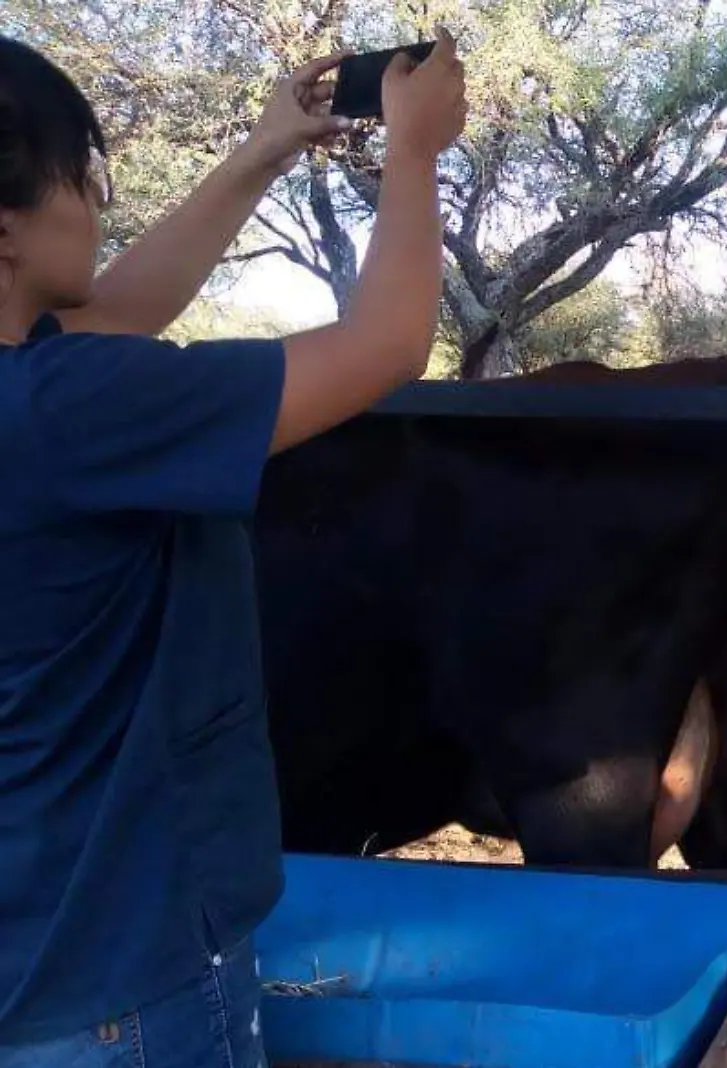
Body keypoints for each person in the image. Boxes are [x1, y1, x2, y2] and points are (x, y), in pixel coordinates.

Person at [0, 31, 467, 1066]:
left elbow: (117, 308)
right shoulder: (73, 411)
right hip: (128, 975)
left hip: (29, 958)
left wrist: (266, 149)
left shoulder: (42, 392)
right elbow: (386, 343)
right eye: (82, 176)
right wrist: (415, 151)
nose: (97, 203)